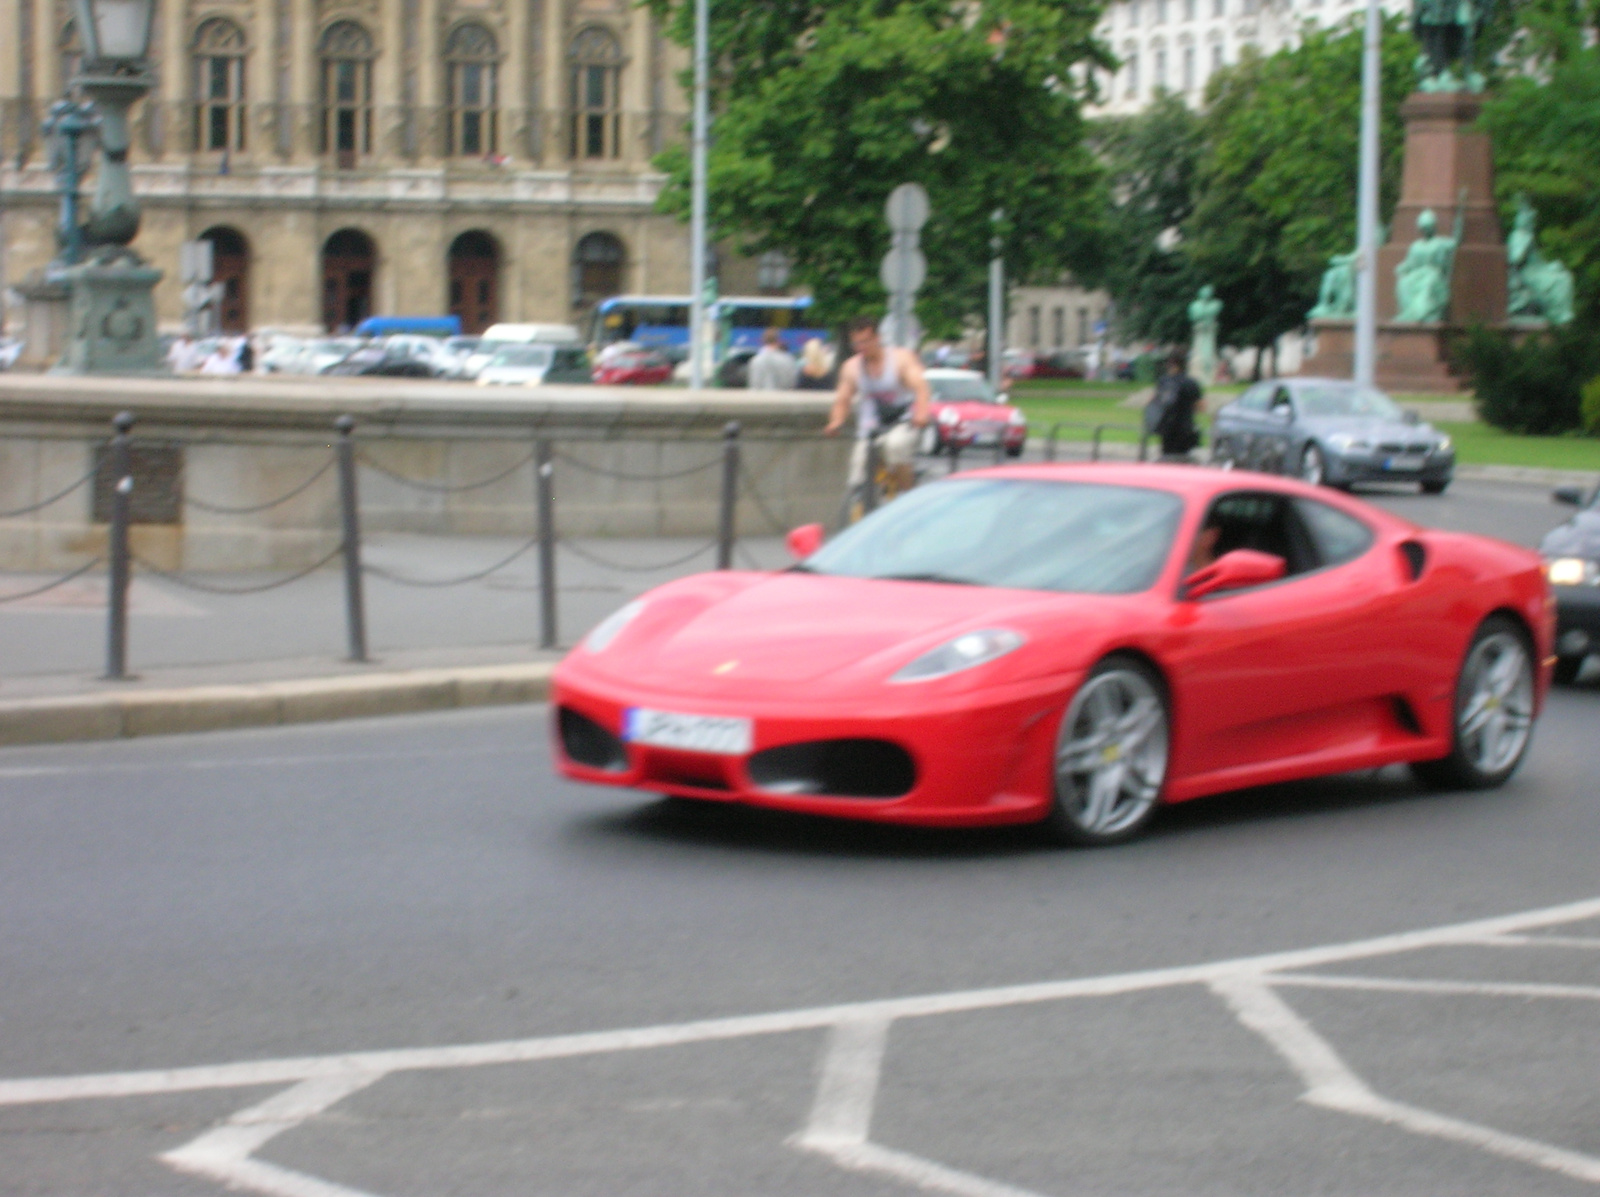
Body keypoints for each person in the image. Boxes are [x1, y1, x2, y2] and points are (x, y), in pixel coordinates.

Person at [824, 315, 931, 502]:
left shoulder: (901, 359)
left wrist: (921, 413)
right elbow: (843, 399)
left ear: (877, 338)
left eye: (865, 342)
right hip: (871, 426)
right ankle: (859, 508)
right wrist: (836, 421)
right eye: (856, 344)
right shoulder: (851, 367)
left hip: (902, 420)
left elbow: (921, 387)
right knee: (858, 471)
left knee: (895, 447)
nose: (861, 348)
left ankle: (909, 496)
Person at [1146, 350, 1203, 460]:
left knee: (1166, 458)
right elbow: (1201, 407)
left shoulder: (1163, 381)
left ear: (1170, 364)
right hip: (1185, 428)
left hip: (1167, 427)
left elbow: (1152, 401)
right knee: (1184, 459)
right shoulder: (1191, 383)